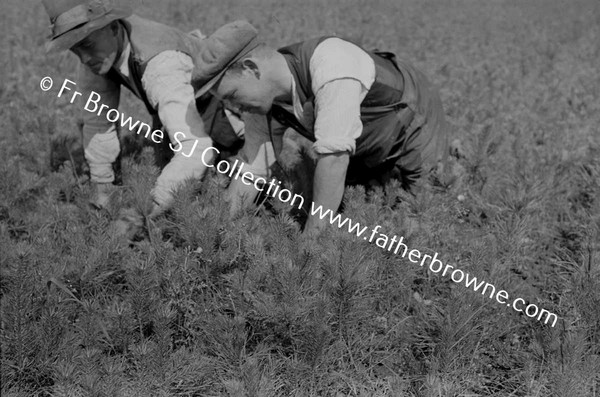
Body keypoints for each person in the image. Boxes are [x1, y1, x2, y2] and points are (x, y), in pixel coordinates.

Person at [192, 21, 450, 233]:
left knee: (424, 216)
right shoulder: (262, 101)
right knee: (362, 199)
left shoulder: (332, 64)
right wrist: (219, 230)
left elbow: (334, 159)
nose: (235, 107)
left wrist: (310, 247)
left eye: (232, 95)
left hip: (412, 114)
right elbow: (252, 168)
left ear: (250, 69)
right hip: (364, 135)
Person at [42, 0, 245, 220]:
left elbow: (196, 148)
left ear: (112, 27)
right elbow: (97, 123)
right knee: (172, 187)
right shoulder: (98, 56)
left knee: (221, 206)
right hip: (180, 114)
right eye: (75, 50)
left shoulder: (161, 62)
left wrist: (143, 213)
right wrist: (102, 190)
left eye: (88, 45)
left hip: (230, 119)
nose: (84, 58)